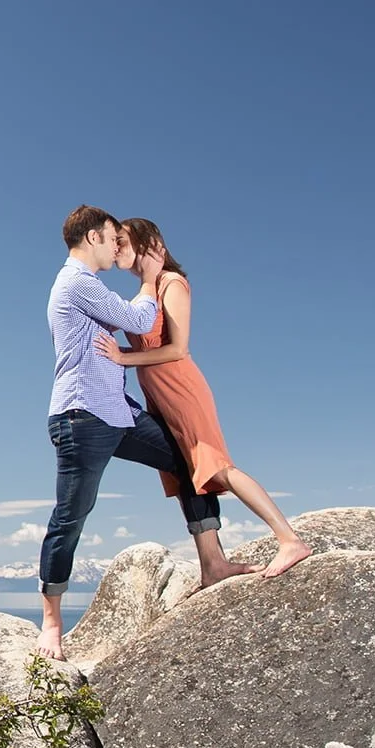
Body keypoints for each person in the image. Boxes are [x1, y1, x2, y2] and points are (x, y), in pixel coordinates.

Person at [38, 206, 251, 661]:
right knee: (72, 515)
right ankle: (52, 621)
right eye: (113, 239)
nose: (117, 248)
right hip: (82, 417)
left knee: (186, 459)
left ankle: (213, 563)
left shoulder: (90, 286)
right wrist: (154, 277)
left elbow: (136, 322)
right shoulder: (77, 283)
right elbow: (137, 321)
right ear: (94, 237)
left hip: (118, 413)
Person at [95, 216, 313, 580]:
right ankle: (212, 564)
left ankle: (290, 539)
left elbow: (178, 349)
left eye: (122, 240)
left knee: (216, 467)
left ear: (149, 244)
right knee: (185, 477)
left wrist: (123, 357)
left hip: (181, 389)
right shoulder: (143, 293)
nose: (115, 247)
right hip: (158, 396)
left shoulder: (172, 283)